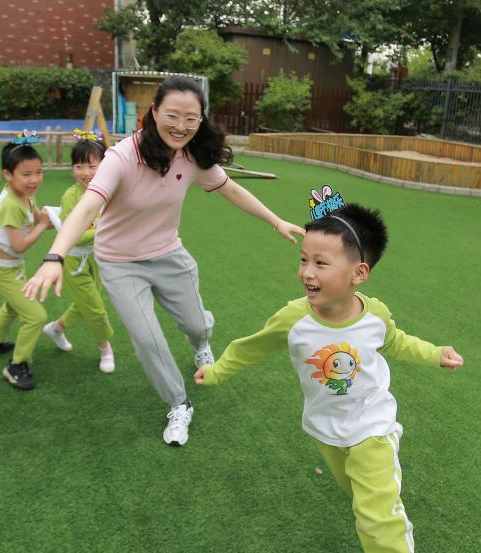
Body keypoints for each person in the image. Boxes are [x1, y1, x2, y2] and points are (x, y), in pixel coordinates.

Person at [194, 197, 464, 553]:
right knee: (362, 502)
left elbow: (396, 341)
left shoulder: (374, 316)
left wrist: (437, 354)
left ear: (359, 273)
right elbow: (251, 346)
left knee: (376, 519)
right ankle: (388, 522)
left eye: (321, 263)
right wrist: (218, 370)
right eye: (304, 260)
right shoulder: (294, 319)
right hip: (325, 431)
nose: (307, 273)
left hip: (373, 427)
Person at [24, 76, 304, 446]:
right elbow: (88, 205)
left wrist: (275, 220)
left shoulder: (191, 157)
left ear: (201, 119)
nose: (181, 126)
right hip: (120, 263)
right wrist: (54, 256)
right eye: (172, 115)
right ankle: (178, 403)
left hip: (169, 254)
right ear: (154, 112)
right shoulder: (122, 157)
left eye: (191, 118)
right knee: (147, 339)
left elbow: (232, 190)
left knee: (197, 325)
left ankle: (200, 343)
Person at [0, 136, 52, 390]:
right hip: (2, 269)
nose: (34, 180)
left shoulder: (24, 195)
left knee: (12, 306)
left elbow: (36, 219)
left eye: (38, 172)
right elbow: (19, 245)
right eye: (26, 174)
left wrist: (49, 219)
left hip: (10, 266)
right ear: (8, 175)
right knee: (36, 316)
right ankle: (17, 365)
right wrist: (43, 225)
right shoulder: (11, 204)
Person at [40, 133, 116, 373]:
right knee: (96, 309)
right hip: (74, 261)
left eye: (93, 166)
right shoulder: (71, 197)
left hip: (96, 257)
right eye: (79, 166)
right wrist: (105, 228)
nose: (85, 172)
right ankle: (105, 348)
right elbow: (74, 235)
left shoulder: (107, 191)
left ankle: (56, 328)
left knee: (85, 303)